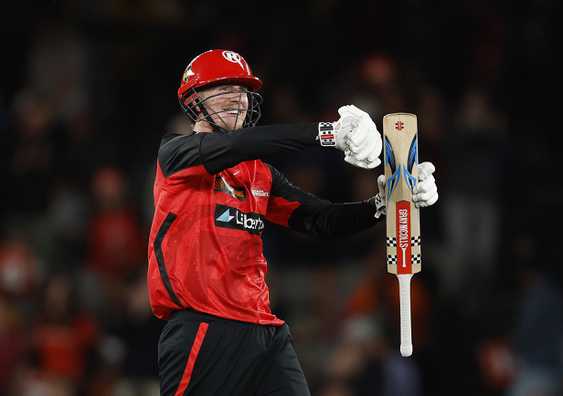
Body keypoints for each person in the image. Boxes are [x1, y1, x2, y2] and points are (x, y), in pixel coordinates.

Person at [147, 49, 439, 396]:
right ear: (194, 101)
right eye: (222, 90)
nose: (236, 100)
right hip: (203, 328)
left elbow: (320, 220)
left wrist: (382, 204)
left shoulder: (259, 174)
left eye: (241, 91)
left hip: (264, 332)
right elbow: (243, 143)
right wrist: (328, 133)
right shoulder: (176, 155)